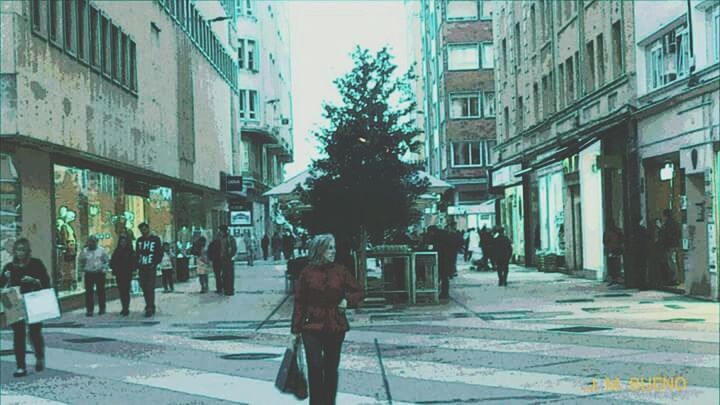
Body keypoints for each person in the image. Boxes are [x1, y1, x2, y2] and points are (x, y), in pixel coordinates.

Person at [291, 234, 364, 405]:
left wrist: (347, 300)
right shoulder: (307, 272)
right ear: (319, 249)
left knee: (331, 369)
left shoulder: (341, 271)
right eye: (329, 248)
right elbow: (299, 302)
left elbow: (359, 291)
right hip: (311, 326)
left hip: (335, 325)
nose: (333, 251)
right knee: (315, 367)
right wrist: (294, 331)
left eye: (334, 247)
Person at [0, 238, 50, 377]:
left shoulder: (36, 264)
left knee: (34, 332)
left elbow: (46, 282)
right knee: (18, 334)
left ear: (27, 251)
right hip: (16, 302)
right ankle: (20, 366)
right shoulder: (9, 266)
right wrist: (6, 278)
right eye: (17, 249)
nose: (20, 252)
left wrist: (34, 280)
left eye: (22, 249)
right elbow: (1, 284)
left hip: (33, 300)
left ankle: (39, 356)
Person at [135, 223, 163, 317]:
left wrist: (155, 263)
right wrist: (137, 264)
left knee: (150, 287)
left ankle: (150, 306)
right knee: (144, 287)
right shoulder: (139, 241)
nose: (143, 231)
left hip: (151, 267)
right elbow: (137, 253)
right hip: (142, 267)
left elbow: (159, 252)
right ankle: (148, 304)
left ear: (148, 229)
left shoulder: (155, 240)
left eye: (144, 229)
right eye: (141, 230)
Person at [78, 235, 110, 316]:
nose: (91, 243)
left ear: (96, 242)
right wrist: (81, 271)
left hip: (99, 273)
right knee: (89, 293)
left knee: (101, 291)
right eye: (90, 241)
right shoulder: (84, 251)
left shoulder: (101, 250)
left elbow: (106, 261)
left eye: (93, 242)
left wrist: (103, 269)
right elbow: (80, 262)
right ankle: (89, 310)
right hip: (89, 273)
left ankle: (102, 309)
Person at [110, 235, 135, 316]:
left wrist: (132, 270)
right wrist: (114, 268)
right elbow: (112, 262)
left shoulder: (130, 251)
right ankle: (123, 307)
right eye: (121, 242)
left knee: (126, 291)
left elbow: (133, 262)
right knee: (121, 291)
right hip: (119, 274)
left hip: (127, 274)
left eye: (124, 242)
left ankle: (126, 308)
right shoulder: (117, 251)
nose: (122, 243)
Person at [659, 209, 680, 285]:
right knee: (673, 261)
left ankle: (674, 279)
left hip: (669, 245)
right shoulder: (675, 223)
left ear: (665, 216)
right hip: (675, 244)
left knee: (671, 262)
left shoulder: (667, 224)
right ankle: (674, 278)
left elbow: (664, 235)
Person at [216, 225, 237, 295]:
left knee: (229, 274)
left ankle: (230, 289)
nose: (219, 232)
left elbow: (234, 248)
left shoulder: (229, 238)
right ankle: (226, 289)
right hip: (222, 259)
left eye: (220, 231)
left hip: (228, 259)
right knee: (224, 275)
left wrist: (229, 256)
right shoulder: (220, 238)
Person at [603, 220, 623, 285]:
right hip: (616, 249)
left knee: (611, 264)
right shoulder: (618, 231)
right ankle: (616, 277)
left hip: (611, 250)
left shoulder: (608, 232)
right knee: (616, 263)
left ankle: (614, 278)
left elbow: (605, 241)